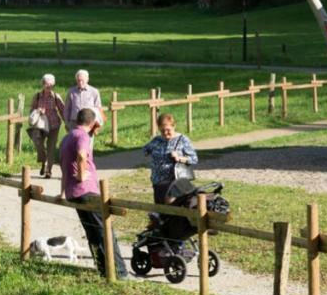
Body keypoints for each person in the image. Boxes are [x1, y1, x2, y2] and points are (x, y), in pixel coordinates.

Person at [58, 108, 129, 278]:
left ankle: (102, 270)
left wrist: (62, 193)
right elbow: (82, 155)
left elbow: (63, 167)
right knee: (105, 231)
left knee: (93, 234)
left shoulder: (67, 138)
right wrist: (82, 176)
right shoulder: (83, 136)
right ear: (91, 123)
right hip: (86, 191)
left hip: (73, 192)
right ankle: (119, 272)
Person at [143, 113, 199, 203]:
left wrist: (179, 158)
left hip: (175, 182)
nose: (165, 133)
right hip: (158, 181)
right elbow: (145, 150)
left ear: (174, 126)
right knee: (161, 209)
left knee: (172, 207)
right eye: (162, 131)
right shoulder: (157, 140)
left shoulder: (183, 140)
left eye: (168, 130)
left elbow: (194, 159)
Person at [29, 73, 65, 178]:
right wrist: (38, 110)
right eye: (46, 84)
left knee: (51, 147)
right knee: (38, 143)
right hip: (40, 125)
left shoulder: (56, 96)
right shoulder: (37, 96)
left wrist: (67, 123)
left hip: (54, 125)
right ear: (42, 84)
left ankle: (48, 170)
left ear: (53, 85)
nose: (48, 86)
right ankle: (43, 160)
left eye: (50, 84)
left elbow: (62, 110)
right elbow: (31, 110)